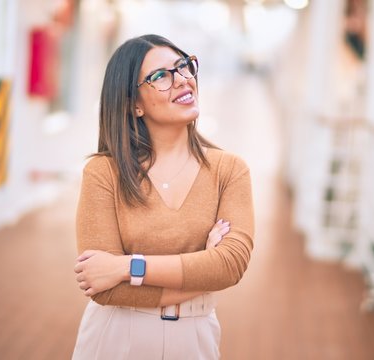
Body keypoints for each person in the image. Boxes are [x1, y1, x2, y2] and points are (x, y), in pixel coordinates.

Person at [72, 34, 254, 360]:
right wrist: (202, 270)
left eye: (184, 67)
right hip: (114, 338)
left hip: (194, 339)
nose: (183, 80)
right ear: (133, 104)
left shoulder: (229, 170)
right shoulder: (103, 172)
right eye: (161, 76)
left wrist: (127, 266)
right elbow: (104, 286)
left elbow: (230, 265)